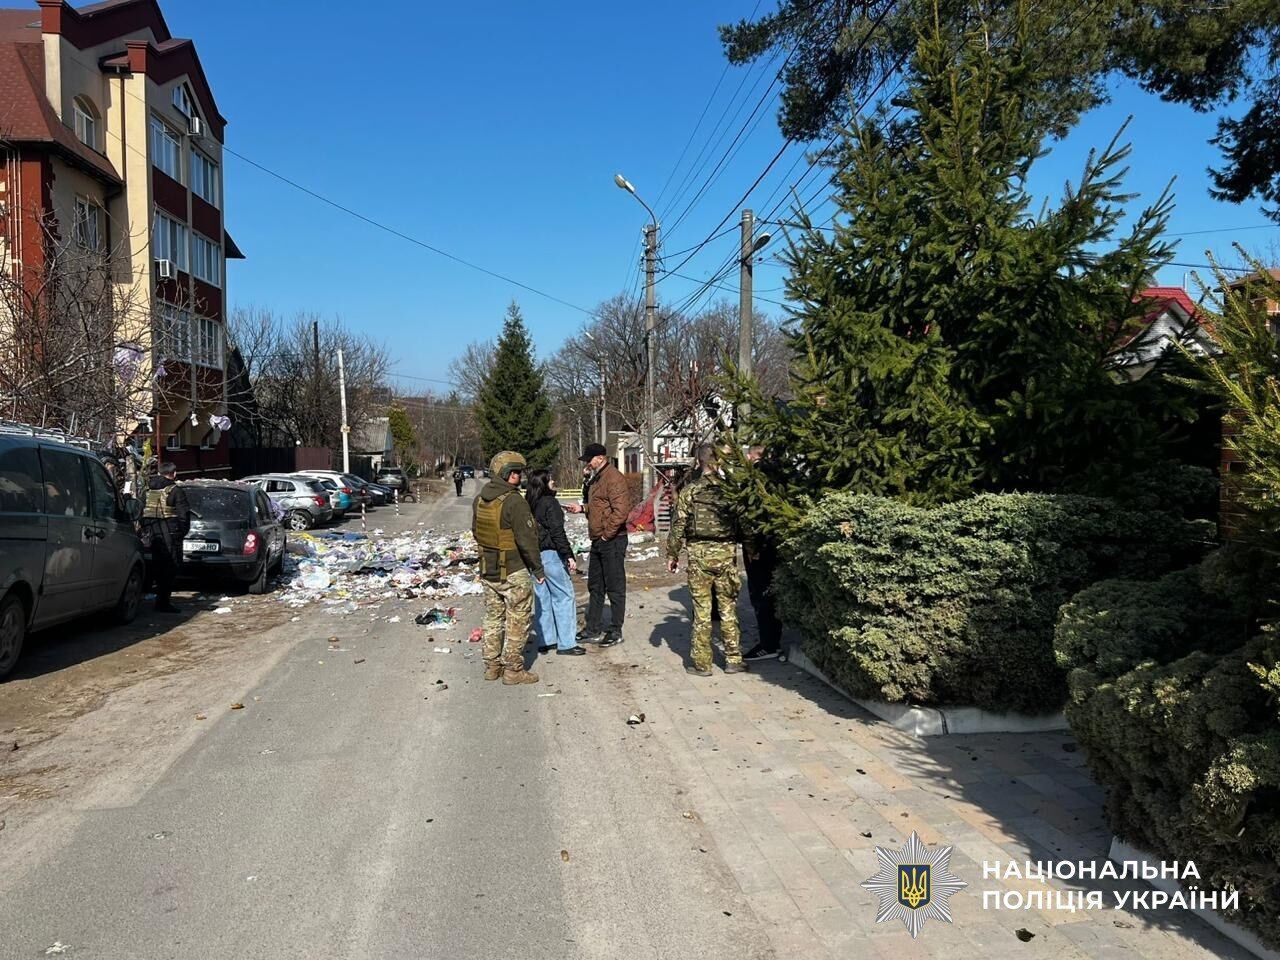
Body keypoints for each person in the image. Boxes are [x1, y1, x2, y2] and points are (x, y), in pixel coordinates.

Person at [666, 444, 744, 676]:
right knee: (728, 608)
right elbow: (742, 522)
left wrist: (672, 554)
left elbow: (678, 525)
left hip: (699, 555)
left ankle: (702, 664)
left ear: (698, 462)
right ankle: (734, 659)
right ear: (717, 462)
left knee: (701, 612)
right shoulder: (730, 490)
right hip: (726, 554)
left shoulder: (691, 491)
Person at [472, 451, 546, 685]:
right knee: (518, 619)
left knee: (493, 618)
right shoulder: (515, 502)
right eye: (516, 472)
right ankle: (513, 670)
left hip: (488, 569)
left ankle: (491, 666)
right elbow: (528, 540)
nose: (519, 476)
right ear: (507, 474)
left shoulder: (480, 499)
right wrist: (538, 570)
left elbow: (476, 532)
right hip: (513, 570)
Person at [566, 443, 631, 646]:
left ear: (600, 458)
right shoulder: (597, 478)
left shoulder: (614, 478)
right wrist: (582, 508)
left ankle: (615, 630)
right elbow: (599, 505)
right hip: (599, 540)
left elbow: (621, 512)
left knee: (615, 586)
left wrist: (606, 535)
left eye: (589, 459)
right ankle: (593, 628)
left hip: (612, 540)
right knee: (595, 585)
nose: (587, 463)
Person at [525, 469, 584, 657]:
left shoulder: (528, 504)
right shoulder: (551, 503)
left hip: (533, 557)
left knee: (542, 598)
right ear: (543, 483)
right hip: (551, 555)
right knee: (564, 597)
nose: (554, 481)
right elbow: (558, 532)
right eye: (550, 479)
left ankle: (546, 640)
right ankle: (566, 643)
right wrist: (568, 555)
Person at [742, 445, 785, 661]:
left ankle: (768, 644)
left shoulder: (754, 480)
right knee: (772, 591)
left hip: (759, 547)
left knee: (761, 593)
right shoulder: (780, 475)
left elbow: (748, 514)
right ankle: (772, 638)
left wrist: (750, 547)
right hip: (776, 543)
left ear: (752, 457)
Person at [143, 462, 191, 614]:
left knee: (153, 565)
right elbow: (184, 516)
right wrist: (181, 533)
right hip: (170, 533)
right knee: (170, 567)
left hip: (151, 533)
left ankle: (149, 596)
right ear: (174, 473)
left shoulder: (148, 489)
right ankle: (163, 602)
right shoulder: (175, 490)